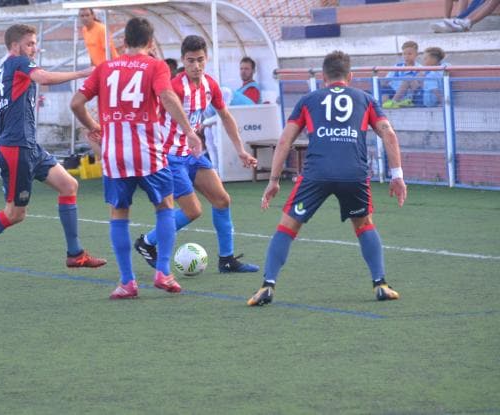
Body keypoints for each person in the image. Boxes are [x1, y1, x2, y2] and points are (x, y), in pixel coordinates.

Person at [247, 50, 407, 306]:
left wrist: (273, 180)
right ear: (350, 76)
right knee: (364, 224)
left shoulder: (309, 100)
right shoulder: (365, 99)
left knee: (287, 227)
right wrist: (397, 176)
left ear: (323, 77)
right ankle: (380, 284)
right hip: (353, 174)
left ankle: (267, 286)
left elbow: (285, 140)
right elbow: (389, 135)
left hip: (316, 174)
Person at [0, 24, 106, 274]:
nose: (35, 48)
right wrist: (84, 72)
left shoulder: (1, 74)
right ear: (15, 46)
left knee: (69, 185)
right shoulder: (18, 63)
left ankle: (75, 254)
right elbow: (43, 78)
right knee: (15, 214)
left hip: (29, 147)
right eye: (30, 43)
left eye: (35, 43)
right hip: (16, 148)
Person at [70, 17, 202, 299]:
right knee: (165, 205)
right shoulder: (155, 66)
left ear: (123, 42)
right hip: (147, 151)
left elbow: (76, 103)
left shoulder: (105, 67)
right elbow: (166, 96)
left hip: (114, 153)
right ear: (150, 43)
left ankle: (127, 282)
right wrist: (189, 131)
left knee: (119, 213)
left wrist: (94, 126)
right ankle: (163, 272)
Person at [134, 35, 260, 274]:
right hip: (170, 157)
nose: (196, 66)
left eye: (200, 60)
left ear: (207, 58)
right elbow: (151, 112)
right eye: (190, 61)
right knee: (193, 211)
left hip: (191, 155)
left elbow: (226, 116)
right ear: (183, 60)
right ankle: (147, 242)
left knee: (222, 200)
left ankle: (227, 260)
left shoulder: (210, 85)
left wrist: (241, 150)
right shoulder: (173, 87)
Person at [382, 40, 423, 109]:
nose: (406, 56)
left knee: (408, 78)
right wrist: (385, 84)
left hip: (411, 95)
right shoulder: (397, 66)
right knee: (382, 86)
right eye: (404, 54)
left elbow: (420, 86)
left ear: (416, 54)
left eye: (409, 54)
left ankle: (394, 102)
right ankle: (382, 106)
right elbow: (386, 81)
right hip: (394, 92)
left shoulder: (420, 68)